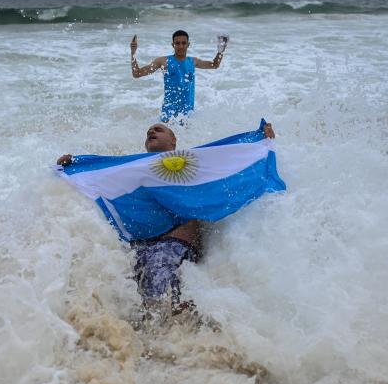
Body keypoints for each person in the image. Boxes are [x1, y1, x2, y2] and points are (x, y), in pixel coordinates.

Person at [57, 122, 277, 317]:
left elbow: (227, 161)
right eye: (148, 131)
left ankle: (183, 329)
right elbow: (101, 175)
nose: (151, 131)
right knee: (130, 299)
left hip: (175, 243)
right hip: (142, 246)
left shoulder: (192, 162)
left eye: (159, 129)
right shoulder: (134, 170)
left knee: (158, 299)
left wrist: (259, 140)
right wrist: (73, 165)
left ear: (173, 140)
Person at [129, 30, 228, 123]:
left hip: (188, 115)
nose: (181, 46)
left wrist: (221, 50)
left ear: (188, 45)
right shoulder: (163, 61)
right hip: (168, 115)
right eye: (177, 43)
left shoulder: (193, 62)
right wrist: (133, 53)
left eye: (184, 43)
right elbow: (137, 74)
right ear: (173, 45)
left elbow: (214, 65)